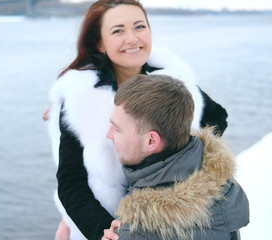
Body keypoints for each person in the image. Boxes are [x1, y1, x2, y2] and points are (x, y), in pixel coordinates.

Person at [47, 0, 228, 239]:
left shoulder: (171, 79)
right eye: (118, 30)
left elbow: (217, 119)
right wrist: (102, 228)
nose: (132, 38)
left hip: (167, 221)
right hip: (105, 221)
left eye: (140, 27)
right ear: (99, 43)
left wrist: (176, 167)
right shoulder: (82, 98)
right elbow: (71, 181)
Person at [103, 74, 249, 240]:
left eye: (117, 129)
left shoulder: (140, 230)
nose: (109, 135)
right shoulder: (224, 190)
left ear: (151, 141)